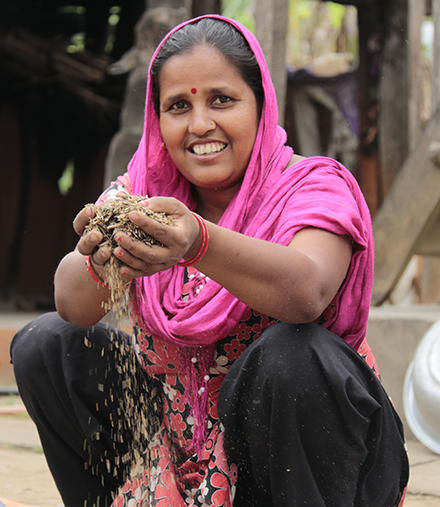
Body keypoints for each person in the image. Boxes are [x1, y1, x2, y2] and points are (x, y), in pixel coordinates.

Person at [11, 14, 409, 507]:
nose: (201, 124)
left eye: (222, 99)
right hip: (181, 457)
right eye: (179, 106)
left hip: (311, 464)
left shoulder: (312, 187)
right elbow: (72, 304)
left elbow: (306, 292)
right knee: (46, 344)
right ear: (157, 121)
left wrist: (198, 243)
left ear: (261, 104)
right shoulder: (143, 196)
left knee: (292, 353)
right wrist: (104, 256)